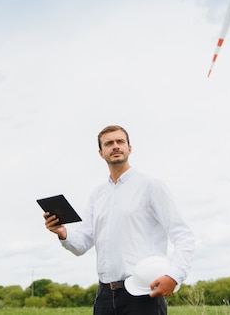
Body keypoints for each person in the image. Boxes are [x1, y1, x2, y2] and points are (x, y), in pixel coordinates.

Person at [44, 125, 195, 315]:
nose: (115, 146)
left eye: (120, 141)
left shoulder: (150, 185)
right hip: (104, 297)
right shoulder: (97, 195)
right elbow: (81, 244)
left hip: (143, 292)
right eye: (109, 143)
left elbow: (183, 235)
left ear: (129, 148)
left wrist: (175, 275)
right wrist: (62, 233)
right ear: (101, 153)